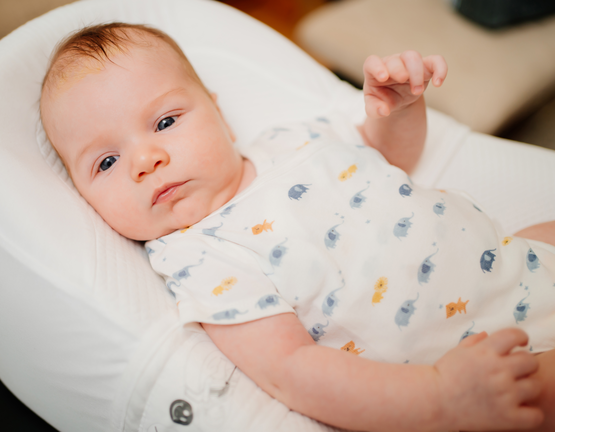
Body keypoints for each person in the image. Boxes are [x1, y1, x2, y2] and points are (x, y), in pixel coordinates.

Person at [40, 23, 554, 432]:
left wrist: (399, 109)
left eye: (165, 122)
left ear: (219, 113)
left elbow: (391, 157)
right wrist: (442, 396)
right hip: (481, 351)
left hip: (513, 257)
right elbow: (293, 369)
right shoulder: (201, 257)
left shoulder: (289, 139)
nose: (146, 160)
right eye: (106, 162)